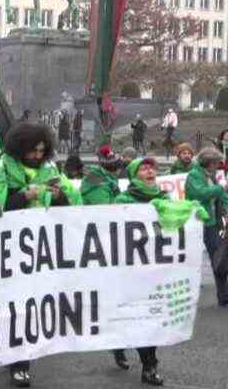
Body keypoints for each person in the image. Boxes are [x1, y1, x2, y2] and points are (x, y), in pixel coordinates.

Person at [0, 122, 81, 387]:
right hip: (10, 247)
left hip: (42, 250)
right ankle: (16, 361)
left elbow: (69, 199)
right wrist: (23, 196)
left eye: (42, 150)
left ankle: (20, 358)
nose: (38, 156)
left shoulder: (51, 169)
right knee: (13, 305)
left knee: (31, 307)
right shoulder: (1, 167)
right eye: (33, 151)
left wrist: (59, 195)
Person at [112, 157, 168, 386]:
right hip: (130, 269)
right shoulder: (122, 200)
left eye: (151, 167)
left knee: (151, 318)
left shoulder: (165, 198)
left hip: (156, 269)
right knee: (135, 318)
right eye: (143, 168)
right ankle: (127, 350)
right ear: (134, 176)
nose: (149, 170)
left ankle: (148, 365)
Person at [185, 147, 228, 307]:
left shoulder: (211, 176)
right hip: (196, 223)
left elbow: (223, 197)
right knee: (191, 259)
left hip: (212, 223)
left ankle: (223, 296)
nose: (218, 166)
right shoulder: (194, 175)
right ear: (208, 163)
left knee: (219, 258)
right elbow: (200, 193)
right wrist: (220, 188)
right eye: (216, 163)